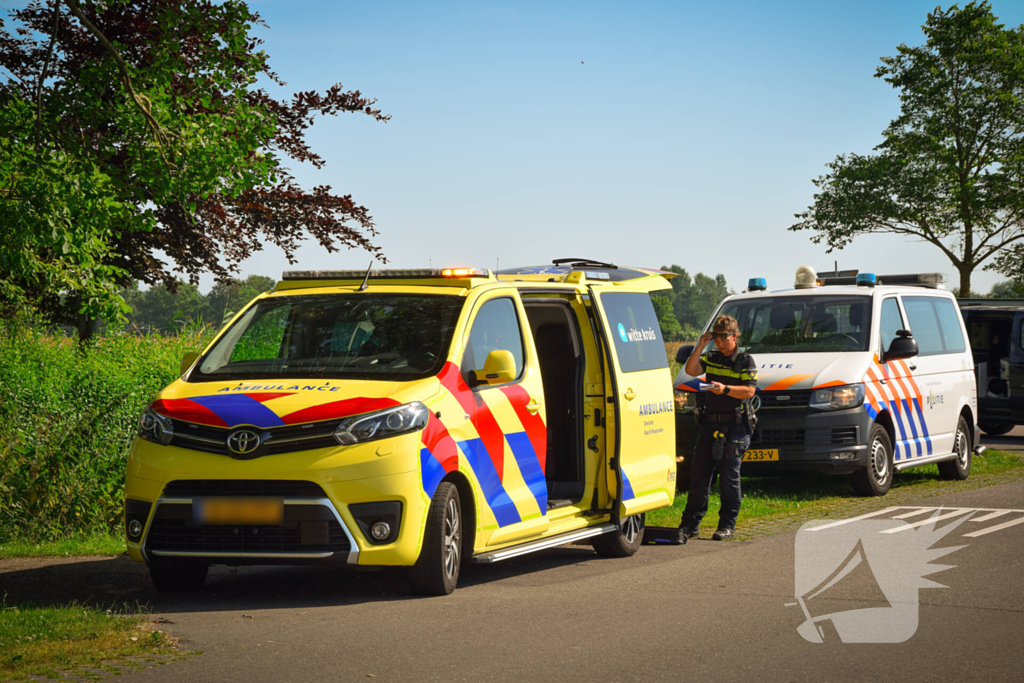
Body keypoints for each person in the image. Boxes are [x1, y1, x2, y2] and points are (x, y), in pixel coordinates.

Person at [678, 315, 757, 541]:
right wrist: (701, 345)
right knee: (699, 476)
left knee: (729, 478)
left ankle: (727, 526)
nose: (720, 343)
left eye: (724, 338)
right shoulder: (711, 356)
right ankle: (690, 524)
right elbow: (692, 370)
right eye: (716, 338)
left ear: (734, 337)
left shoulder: (745, 361)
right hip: (709, 425)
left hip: (735, 427)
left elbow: (749, 391)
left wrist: (725, 389)